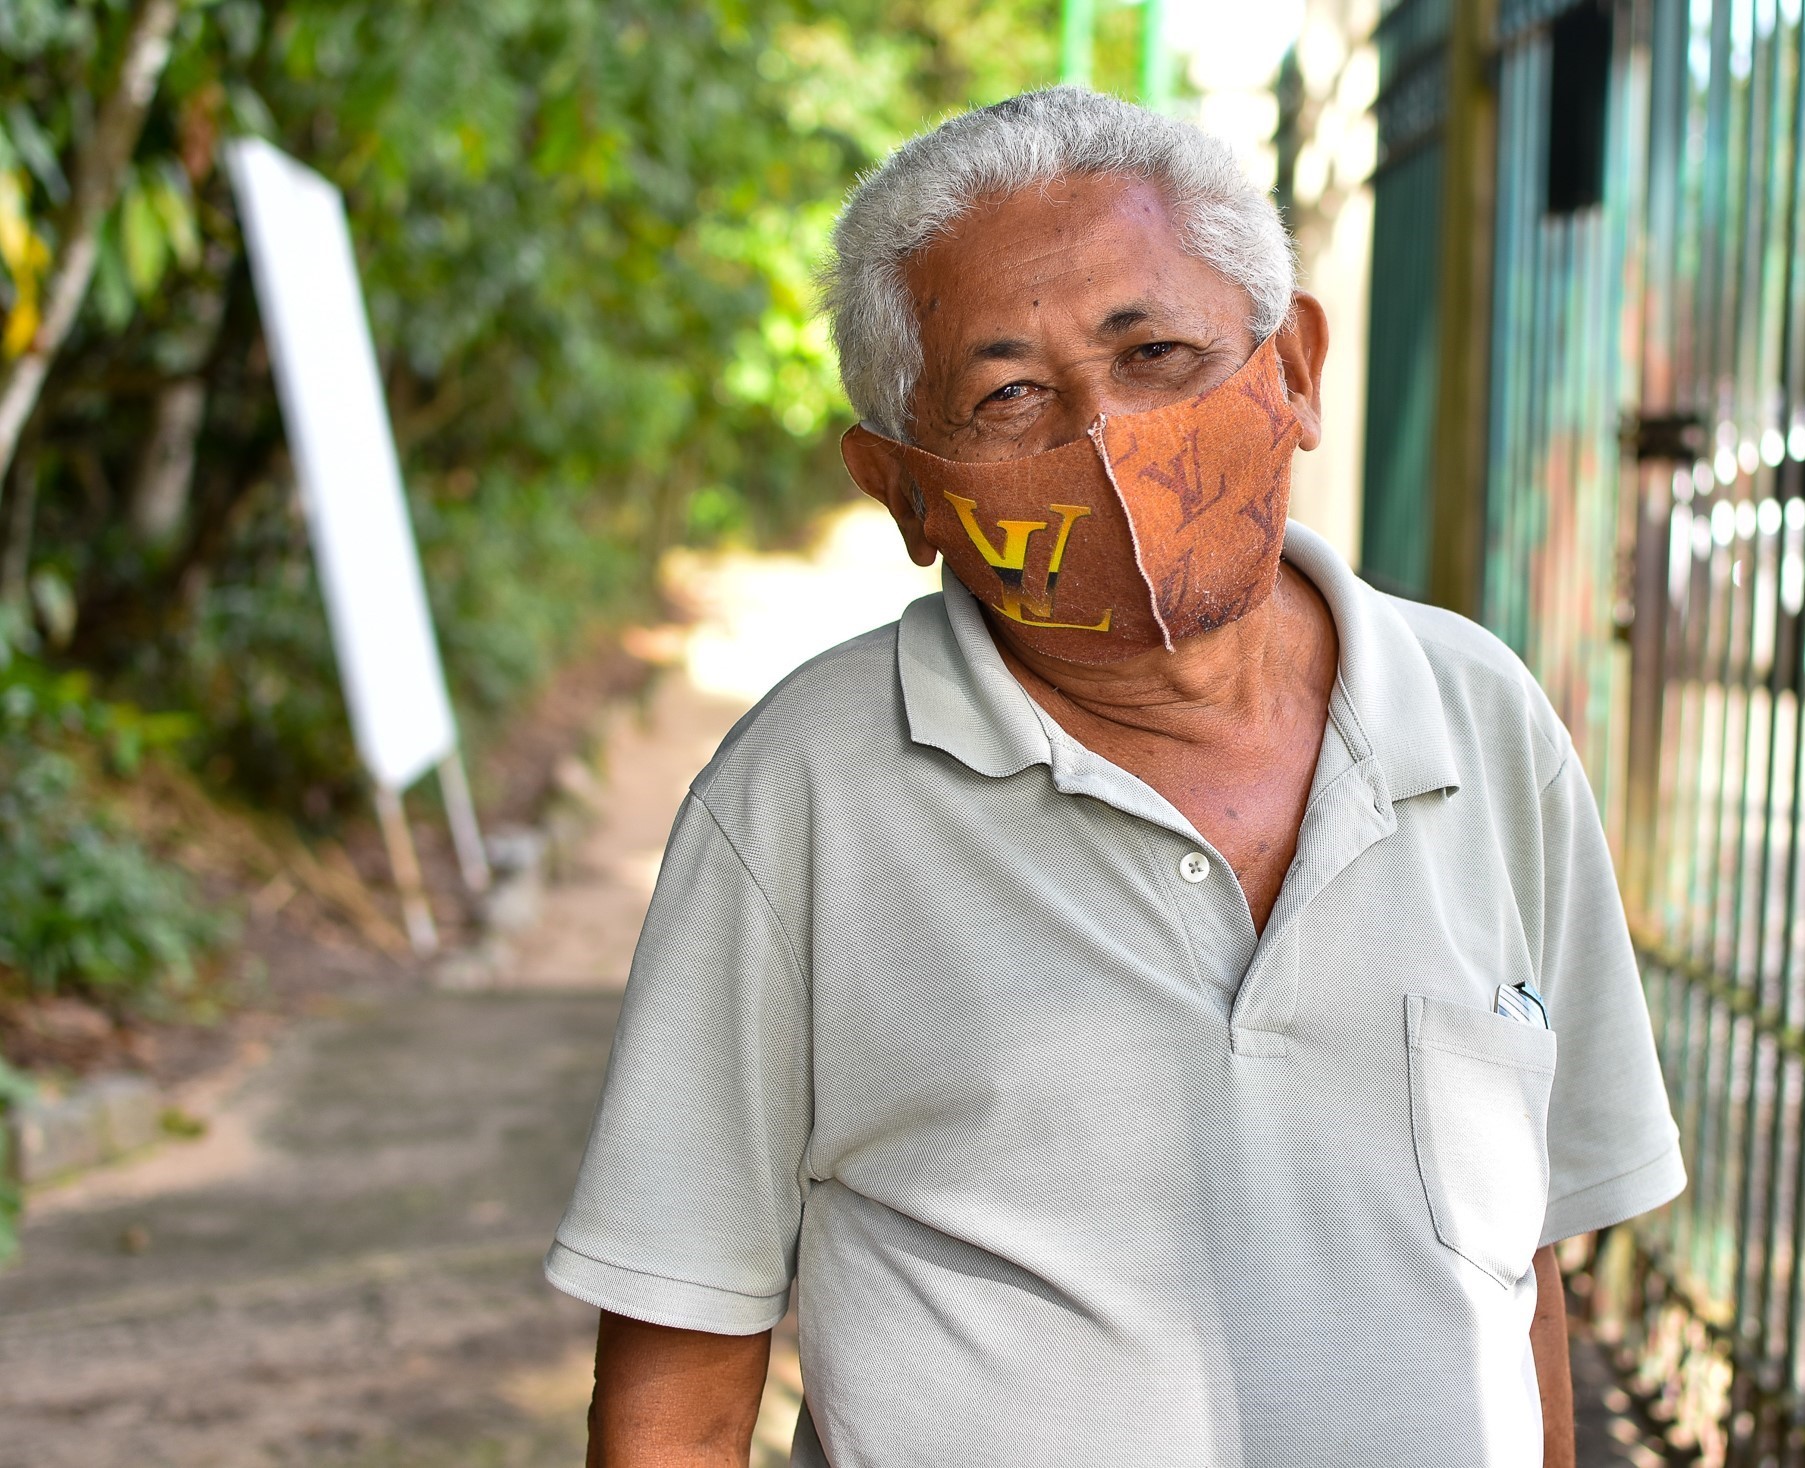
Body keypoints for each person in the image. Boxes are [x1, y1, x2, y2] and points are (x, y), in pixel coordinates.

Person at [548, 87, 1683, 1468]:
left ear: (1297, 373)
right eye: (1011, 392)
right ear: (905, 491)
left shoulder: (1482, 720)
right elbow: (679, 1371)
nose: (1109, 442)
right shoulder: (801, 797)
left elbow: (1529, 1275)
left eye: (1157, 352)